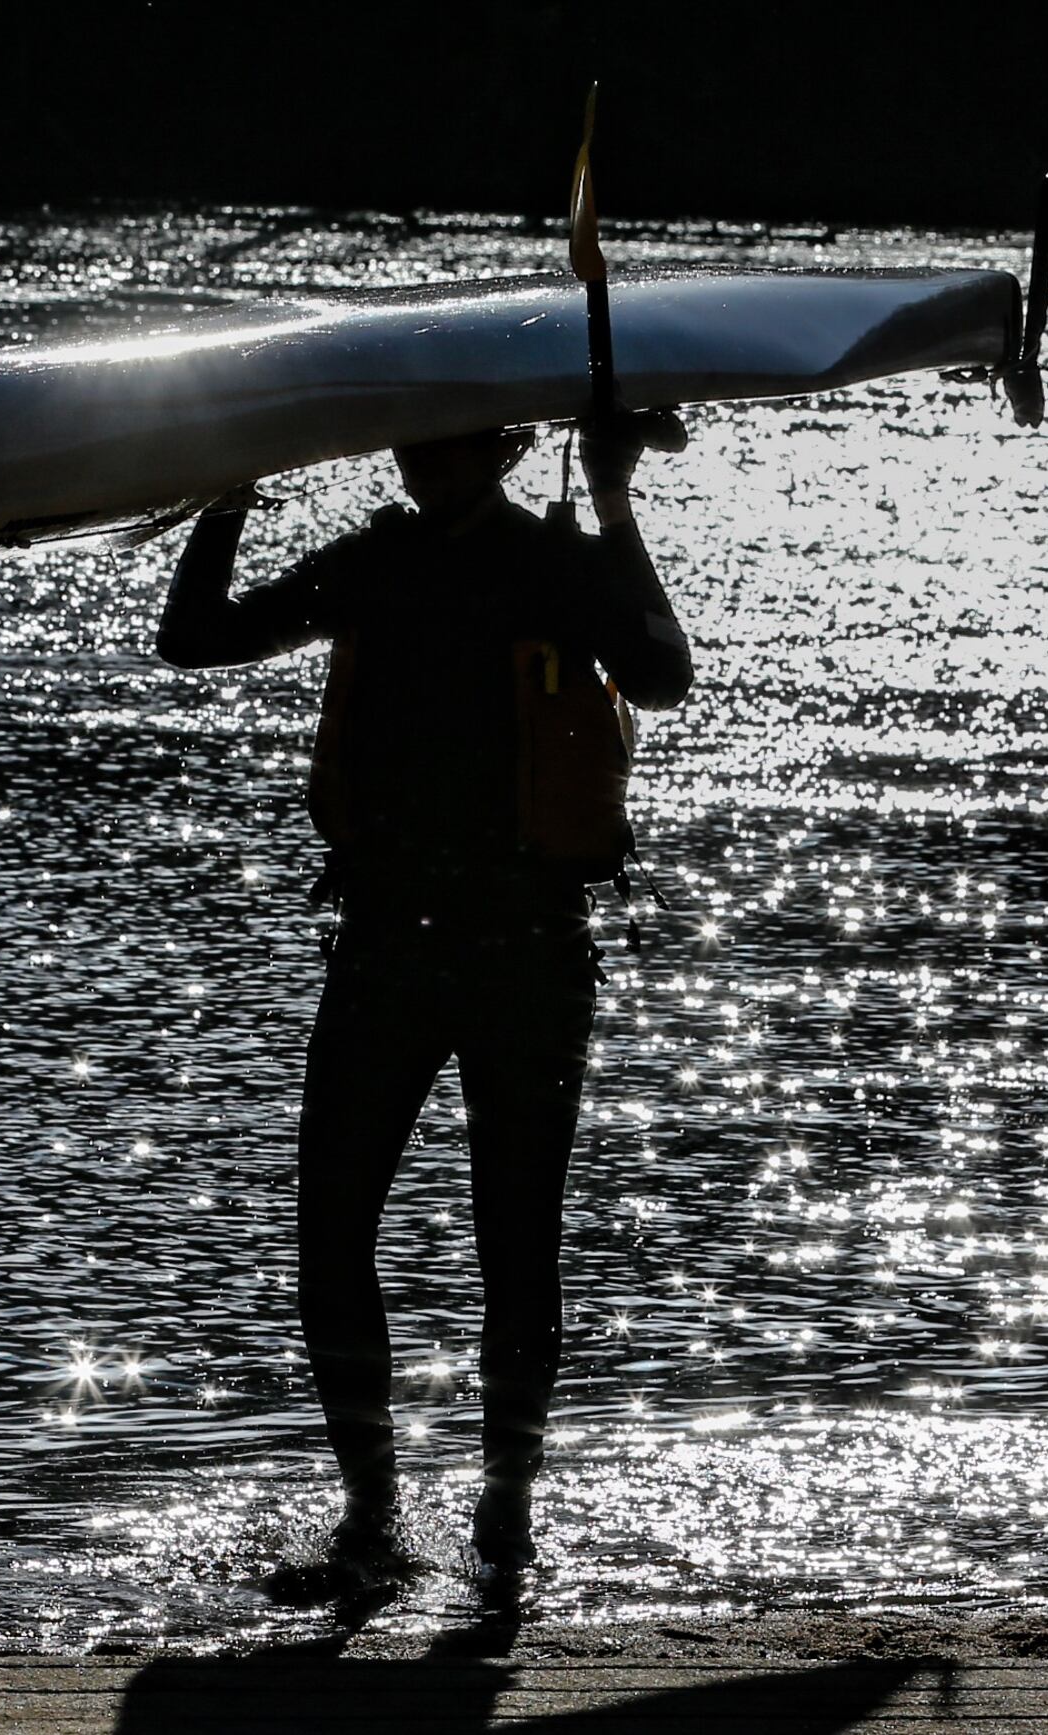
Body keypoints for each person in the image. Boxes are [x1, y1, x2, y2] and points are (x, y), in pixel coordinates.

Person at [155, 418, 689, 1596]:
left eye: (447, 446)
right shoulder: (374, 559)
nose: (420, 461)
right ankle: (373, 1512)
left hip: (527, 955)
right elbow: (192, 640)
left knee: (518, 1235)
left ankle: (505, 1507)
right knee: (330, 1229)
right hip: (390, 945)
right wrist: (228, 492)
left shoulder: (554, 563)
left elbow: (662, 675)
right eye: (409, 443)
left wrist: (610, 501)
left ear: (500, 452)